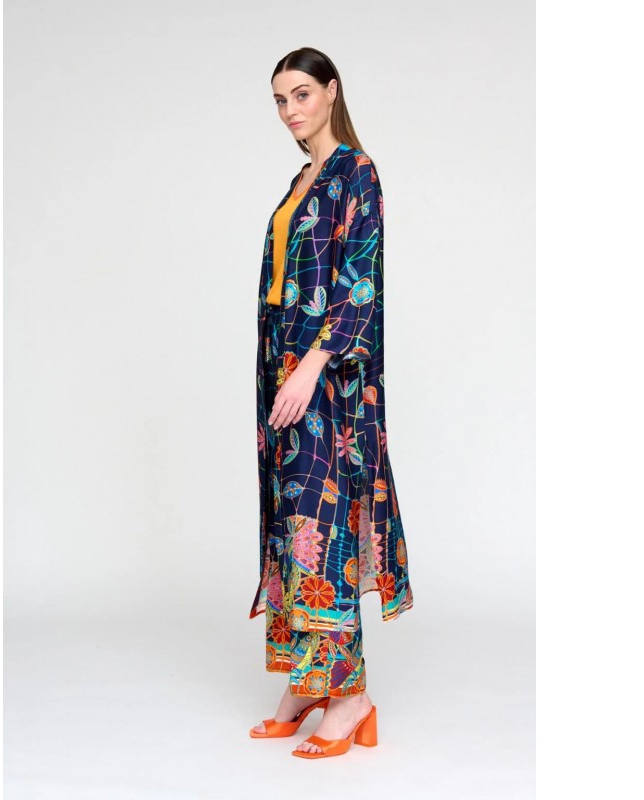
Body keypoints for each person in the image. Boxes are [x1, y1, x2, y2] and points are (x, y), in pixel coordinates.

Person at [248, 47, 414, 759]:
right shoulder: (300, 181)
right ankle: (305, 681)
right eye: (280, 99)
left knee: (324, 526)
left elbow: (358, 284)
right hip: (283, 375)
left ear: (331, 91)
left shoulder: (356, 172)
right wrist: (281, 373)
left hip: (326, 381)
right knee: (292, 526)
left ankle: (349, 698)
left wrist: (311, 368)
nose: (290, 110)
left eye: (302, 94)